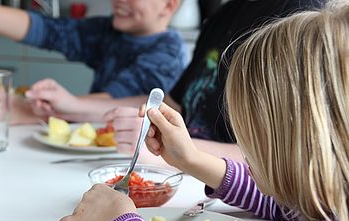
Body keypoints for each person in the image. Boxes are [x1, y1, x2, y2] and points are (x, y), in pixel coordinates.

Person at [51, 2, 349, 221]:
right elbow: (285, 204)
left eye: (250, 140)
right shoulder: (330, 207)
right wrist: (191, 159)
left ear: (306, 143)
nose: (245, 151)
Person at [104, 0, 324, 163]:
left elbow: (290, 157)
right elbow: (172, 104)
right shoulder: (224, 14)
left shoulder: (305, 17)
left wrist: (171, 149)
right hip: (188, 182)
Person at [0, 0, 188, 123]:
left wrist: (27, 110)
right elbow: (47, 31)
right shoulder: (109, 31)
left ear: (169, 5)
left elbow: (117, 102)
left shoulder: (168, 51)